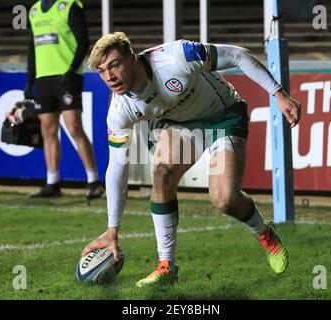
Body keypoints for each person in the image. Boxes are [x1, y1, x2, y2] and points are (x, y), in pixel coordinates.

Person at [81, 32, 301, 287]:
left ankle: (265, 234)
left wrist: (279, 94)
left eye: (114, 65)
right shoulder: (119, 110)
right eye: (102, 71)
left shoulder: (177, 56)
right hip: (181, 125)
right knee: (162, 172)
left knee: (225, 199)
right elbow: (117, 167)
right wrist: (112, 229)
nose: (109, 77)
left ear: (131, 59)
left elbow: (239, 55)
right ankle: (166, 267)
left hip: (222, 117)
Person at [25, 0, 104, 200]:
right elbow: (32, 48)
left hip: (67, 78)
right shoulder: (34, 11)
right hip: (43, 79)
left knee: (74, 127)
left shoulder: (69, 6)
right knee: (47, 129)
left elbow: (84, 41)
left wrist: (72, 70)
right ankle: (52, 182)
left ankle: (93, 181)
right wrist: (29, 81)